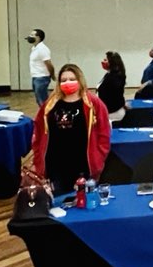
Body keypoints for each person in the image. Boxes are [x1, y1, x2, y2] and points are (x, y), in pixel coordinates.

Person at [30, 64, 111, 193]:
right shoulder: (50, 104)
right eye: (63, 80)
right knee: (58, 201)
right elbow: (38, 132)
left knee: (82, 200)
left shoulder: (94, 104)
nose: (68, 82)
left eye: (72, 79)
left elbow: (104, 134)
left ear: (80, 80)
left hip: (83, 166)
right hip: (55, 166)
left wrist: (98, 159)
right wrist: (38, 158)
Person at [96, 51, 127, 123]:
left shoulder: (114, 77)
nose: (103, 61)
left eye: (105, 60)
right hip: (110, 111)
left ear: (112, 62)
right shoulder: (109, 74)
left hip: (113, 113)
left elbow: (115, 96)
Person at [26, 29, 54, 107]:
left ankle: (47, 113)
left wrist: (52, 75)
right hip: (36, 77)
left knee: (42, 100)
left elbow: (48, 63)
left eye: (32, 35)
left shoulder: (42, 49)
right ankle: (43, 113)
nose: (29, 36)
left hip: (42, 77)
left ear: (38, 38)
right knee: (39, 99)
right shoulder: (34, 48)